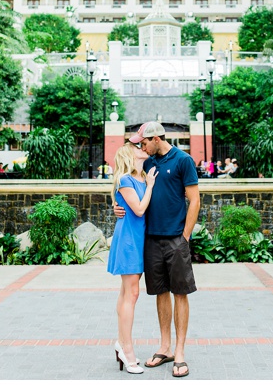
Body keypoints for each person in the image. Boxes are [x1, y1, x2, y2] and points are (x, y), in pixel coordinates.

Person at [113, 121, 200, 378]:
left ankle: (180, 353)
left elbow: (194, 200)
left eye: (144, 143)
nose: (141, 146)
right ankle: (165, 348)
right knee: (160, 293)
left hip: (176, 239)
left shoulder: (184, 160)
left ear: (156, 139)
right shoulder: (147, 163)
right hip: (150, 240)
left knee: (180, 294)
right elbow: (128, 191)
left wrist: (185, 236)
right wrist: (117, 209)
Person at [107, 143, 157, 374]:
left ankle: (120, 342)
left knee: (126, 293)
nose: (142, 148)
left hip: (139, 240)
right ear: (129, 154)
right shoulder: (126, 179)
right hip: (128, 240)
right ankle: (127, 350)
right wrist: (150, 187)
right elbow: (137, 209)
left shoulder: (143, 175)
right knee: (133, 293)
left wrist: (148, 183)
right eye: (137, 147)